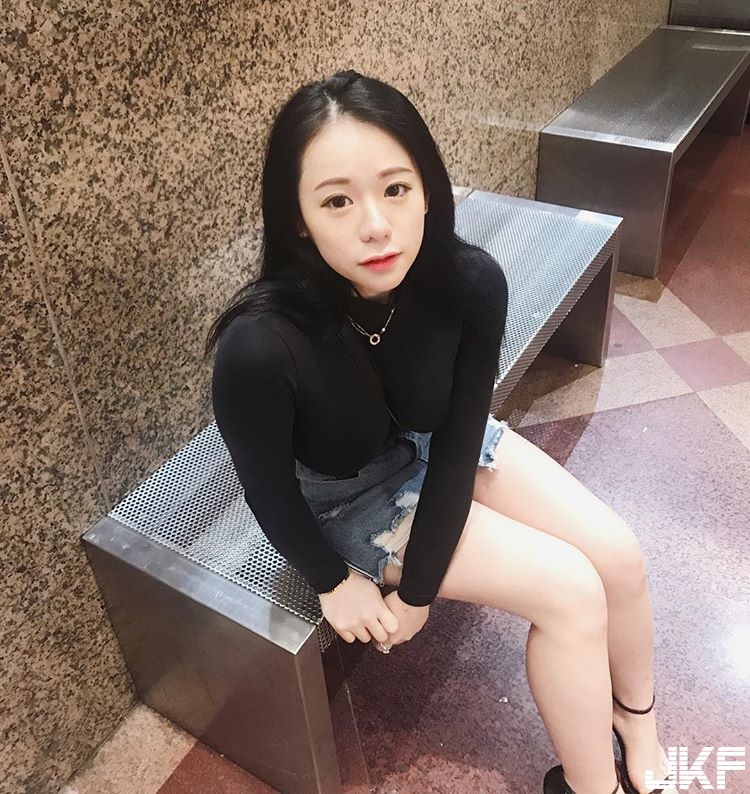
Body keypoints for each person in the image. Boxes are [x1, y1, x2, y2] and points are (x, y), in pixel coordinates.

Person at [205, 70, 676, 794]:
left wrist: (419, 589)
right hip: (349, 497)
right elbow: (265, 489)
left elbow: (458, 439)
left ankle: (636, 719)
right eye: (337, 200)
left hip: (431, 449)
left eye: (395, 188)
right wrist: (332, 581)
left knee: (618, 555)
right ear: (298, 218)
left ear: (427, 187)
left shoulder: (467, 282)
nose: (375, 224)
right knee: (572, 594)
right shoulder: (261, 345)